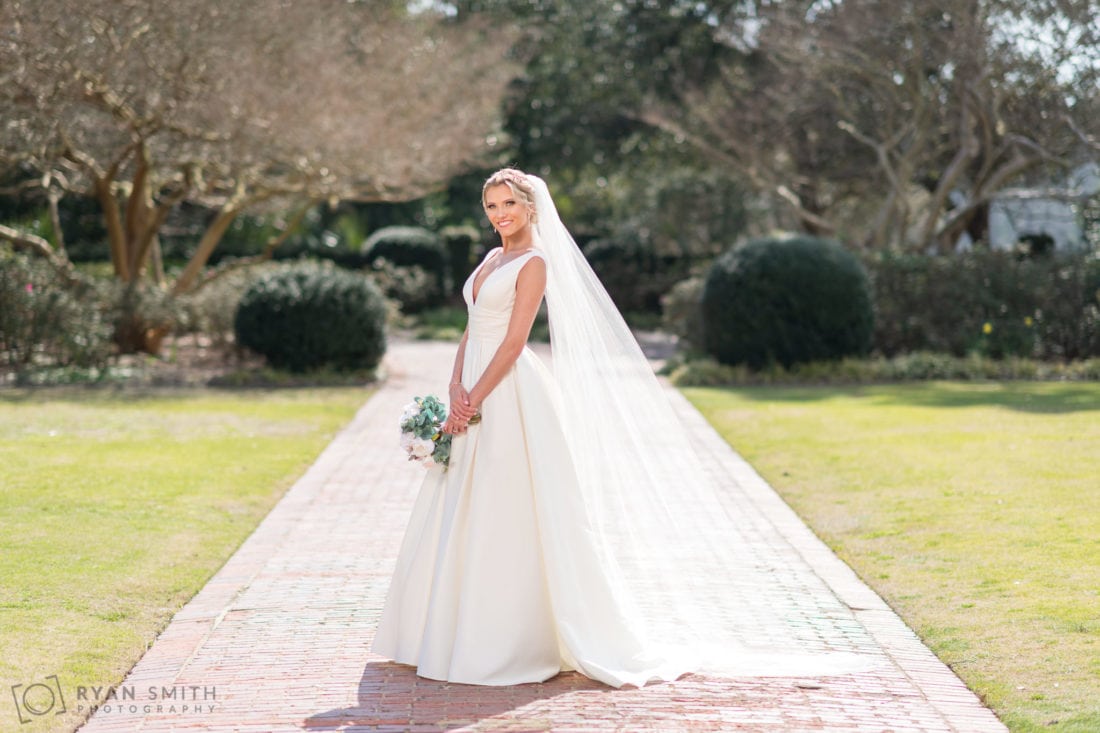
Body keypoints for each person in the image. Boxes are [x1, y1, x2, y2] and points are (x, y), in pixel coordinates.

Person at [370, 168, 874, 688]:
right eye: (492, 207)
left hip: (508, 393)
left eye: (508, 205)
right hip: (471, 388)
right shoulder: (491, 258)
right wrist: (455, 385)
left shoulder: (534, 262)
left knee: (506, 504)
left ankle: (506, 640)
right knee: (463, 502)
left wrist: (475, 396)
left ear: (530, 207)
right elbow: (473, 326)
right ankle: (448, 631)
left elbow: (514, 341)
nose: (500, 215)